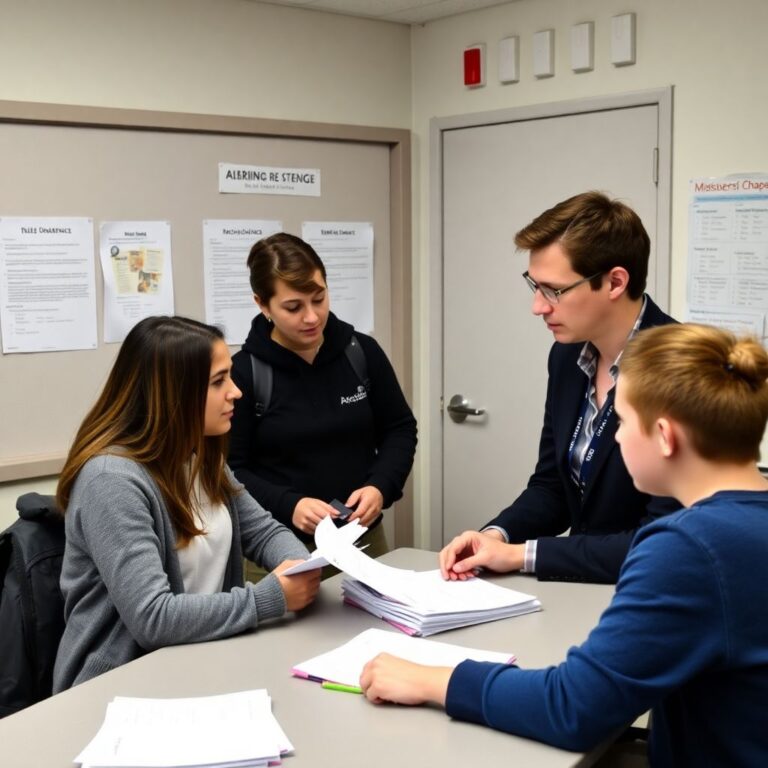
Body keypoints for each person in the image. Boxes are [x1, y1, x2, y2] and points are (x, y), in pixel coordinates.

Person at [361, 323, 768, 767]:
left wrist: (432, 681)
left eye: (623, 422)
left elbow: (573, 707)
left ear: (665, 437)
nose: (615, 436)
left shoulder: (687, 549)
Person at [53, 316, 320, 692]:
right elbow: (153, 618)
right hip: (119, 686)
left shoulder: (198, 455)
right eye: (218, 382)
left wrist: (298, 567)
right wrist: (271, 597)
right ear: (174, 394)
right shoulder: (111, 481)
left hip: (202, 662)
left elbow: (262, 531)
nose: (236, 392)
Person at [441, 191, 677, 584]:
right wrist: (494, 536)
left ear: (615, 282)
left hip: (654, 591)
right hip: (581, 587)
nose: (539, 306)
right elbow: (553, 486)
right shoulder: (567, 358)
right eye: (534, 286)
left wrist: (521, 555)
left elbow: (664, 540)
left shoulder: (682, 371)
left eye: (554, 290)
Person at [228, 232, 417, 565]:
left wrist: (380, 486)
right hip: (278, 546)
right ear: (262, 304)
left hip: (362, 538)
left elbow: (399, 428)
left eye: (319, 298)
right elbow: (229, 469)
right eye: (293, 307)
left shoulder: (360, 352)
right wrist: (289, 504)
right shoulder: (244, 373)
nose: (312, 317)